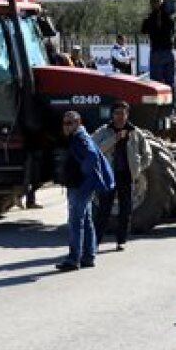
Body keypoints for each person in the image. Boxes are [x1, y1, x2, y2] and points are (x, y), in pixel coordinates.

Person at [57, 112, 115, 272]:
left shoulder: (80, 138)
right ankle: (89, 256)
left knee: (76, 221)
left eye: (70, 122)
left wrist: (81, 175)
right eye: (65, 123)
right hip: (82, 186)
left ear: (78, 122)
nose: (66, 126)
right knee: (87, 221)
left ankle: (73, 258)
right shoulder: (79, 136)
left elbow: (91, 157)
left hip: (79, 186)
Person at [92, 101, 153, 250]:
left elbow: (147, 154)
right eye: (117, 113)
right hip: (109, 177)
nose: (120, 117)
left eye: (123, 113)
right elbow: (95, 150)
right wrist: (115, 138)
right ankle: (95, 242)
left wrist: (138, 169)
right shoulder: (104, 131)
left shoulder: (135, 132)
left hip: (126, 176)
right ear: (112, 115)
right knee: (104, 211)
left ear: (127, 115)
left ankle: (121, 240)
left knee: (125, 210)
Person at [141, 0, 176, 87]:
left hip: (156, 52)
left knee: (155, 83)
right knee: (170, 82)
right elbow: (174, 31)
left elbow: (143, 30)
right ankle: (172, 100)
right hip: (169, 52)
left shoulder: (149, 18)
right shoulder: (169, 18)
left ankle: (156, 101)